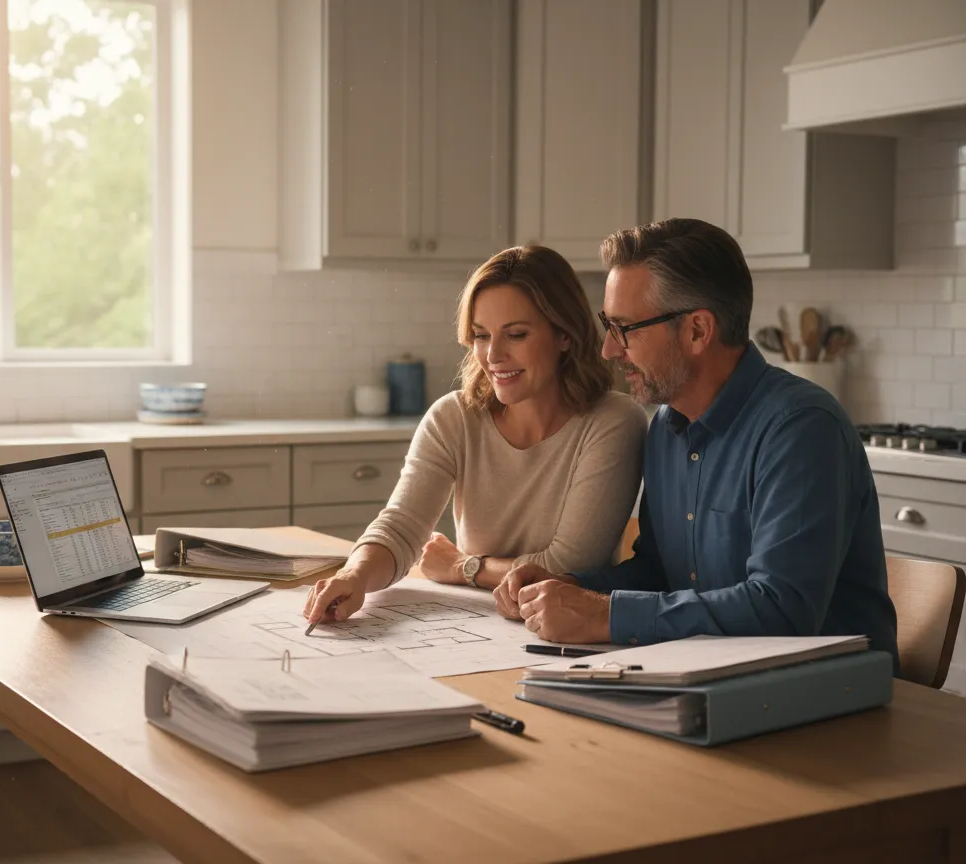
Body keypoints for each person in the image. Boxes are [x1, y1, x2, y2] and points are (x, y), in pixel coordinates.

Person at [494, 219, 899, 670]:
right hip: (724, 680)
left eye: (625, 328)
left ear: (697, 331)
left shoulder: (801, 429)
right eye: (608, 325)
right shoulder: (668, 426)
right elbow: (660, 572)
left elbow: (784, 610)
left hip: (831, 702)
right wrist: (569, 586)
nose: (609, 350)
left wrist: (605, 615)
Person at [303, 245, 648, 626]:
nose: (493, 355)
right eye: (482, 336)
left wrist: (463, 567)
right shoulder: (453, 418)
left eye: (516, 335)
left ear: (564, 335)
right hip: (469, 624)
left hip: (562, 629)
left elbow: (566, 567)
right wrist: (355, 576)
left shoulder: (613, 422)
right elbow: (400, 529)